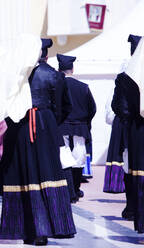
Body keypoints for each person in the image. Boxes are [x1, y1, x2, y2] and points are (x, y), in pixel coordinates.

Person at [0, 36, 76, 246]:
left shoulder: (16, 74)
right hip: (44, 126)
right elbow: (63, 106)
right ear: (45, 55)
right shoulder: (53, 75)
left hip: (20, 128)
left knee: (23, 174)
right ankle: (47, 228)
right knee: (46, 173)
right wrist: (49, 122)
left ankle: (25, 228)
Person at [111, 34, 142, 223]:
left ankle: (133, 209)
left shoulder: (124, 77)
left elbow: (118, 106)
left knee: (133, 170)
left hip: (135, 129)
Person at [57, 54, 96, 201]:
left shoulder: (57, 85)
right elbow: (92, 109)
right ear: (72, 69)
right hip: (80, 127)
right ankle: (76, 189)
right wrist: (86, 123)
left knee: (65, 159)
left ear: (59, 69)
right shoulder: (83, 87)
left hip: (62, 127)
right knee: (79, 158)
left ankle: (69, 191)